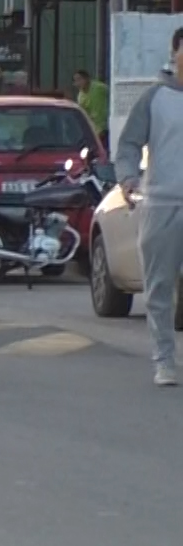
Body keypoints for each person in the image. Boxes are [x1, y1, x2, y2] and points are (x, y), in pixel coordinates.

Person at [114, 27, 183, 385]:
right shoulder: (155, 98)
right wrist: (127, 179)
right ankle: (165, 361)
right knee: (159, 288)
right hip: (162, 204)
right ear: (175, 54)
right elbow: (127, 146)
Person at [75, 69, 111, 147]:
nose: (78, 83)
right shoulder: (80, 97)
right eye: (76, 81)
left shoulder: (99, 88)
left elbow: (112, 94)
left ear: (87, 79)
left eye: (79, 80)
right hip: (95, 131)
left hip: (107, 126)